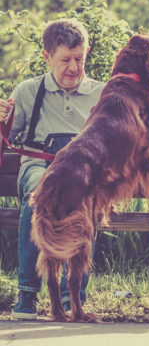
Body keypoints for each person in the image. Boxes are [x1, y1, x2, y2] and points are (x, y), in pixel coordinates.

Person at [0, 18, 105, 320]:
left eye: (79, 58)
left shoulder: (101, 94)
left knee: (85, 201)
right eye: (65, 60)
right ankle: (27, 295)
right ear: (47, 57)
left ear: (87, 51)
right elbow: (7, 139)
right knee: (38, 195)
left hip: (82, 176)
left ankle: (72, 298)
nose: (73, 67)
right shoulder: (27, 92)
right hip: (40, 166)